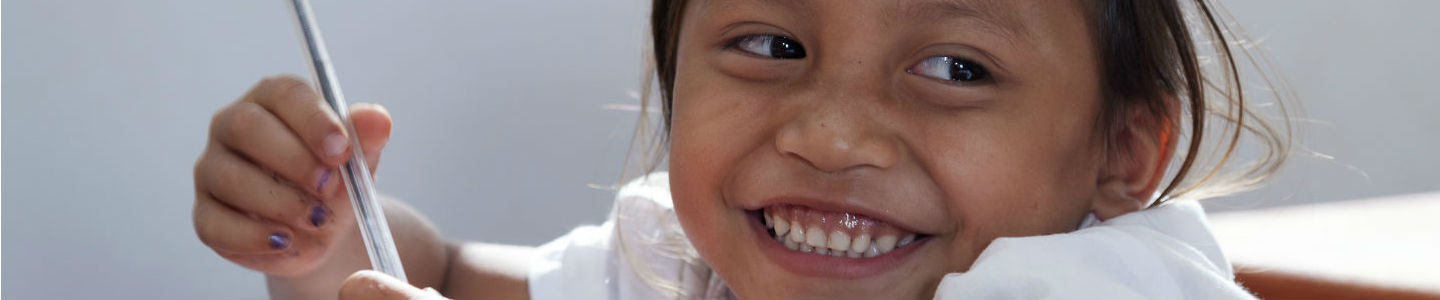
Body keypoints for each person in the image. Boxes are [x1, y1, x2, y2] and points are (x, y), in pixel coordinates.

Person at [192, 0, 1292, 298]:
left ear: (1124, 153)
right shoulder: (684, 264)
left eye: (956, 68)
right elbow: (445, 275)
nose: (824, 134)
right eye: (771, 45)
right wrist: (327, 237)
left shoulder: (1107, 290)